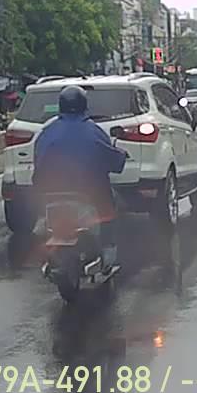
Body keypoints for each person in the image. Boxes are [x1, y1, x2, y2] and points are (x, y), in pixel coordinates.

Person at [33, 85, 128, 267]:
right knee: (109, 208)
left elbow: (38, 163)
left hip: (50, 193)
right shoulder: (93, 131)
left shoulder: (47, 132)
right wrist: (121, 155)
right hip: (88, 192)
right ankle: (107, 253)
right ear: (84, 105)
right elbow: (114, 162)